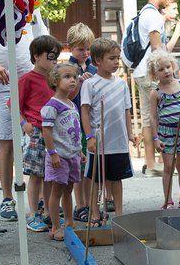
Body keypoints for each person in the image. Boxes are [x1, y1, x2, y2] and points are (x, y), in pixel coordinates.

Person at [0, 9, 49, 222]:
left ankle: (41, 198)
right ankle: (7, 198)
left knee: (40, 140)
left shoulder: (30, 6)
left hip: (32, 81)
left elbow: (42, 38)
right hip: (2, 85)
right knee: (7, 141)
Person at [81, 38, 136, 226]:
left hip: (118, 140)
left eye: (117, 58)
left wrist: (130, 134)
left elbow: (126, 110)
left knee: (117, 178)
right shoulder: (90, 84)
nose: (116, 62)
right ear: (97, 60)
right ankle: (95, 213)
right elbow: (85, 111)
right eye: (111, 58)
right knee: (97, 180)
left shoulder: (121, 84)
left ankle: (119, 214)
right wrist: (89, 136)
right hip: (99, 141)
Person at [18, 35, 63, 232]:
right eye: (50, 55)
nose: (54, 60)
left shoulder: (54, 80)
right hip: (37, 131)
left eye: (56, 56)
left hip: (53, 132)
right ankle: (33, 214)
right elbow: (13, 104)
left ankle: (46, 211)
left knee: (49, 175)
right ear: (36, 56)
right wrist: (24, 123)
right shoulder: (27, 79)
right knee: (36, 175)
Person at [148, 51, 180, 209]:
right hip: (166, 133)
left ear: (173, 66)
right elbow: (153, 118)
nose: (166, 71)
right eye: (161, 69)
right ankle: (168, 200)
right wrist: (156, 138)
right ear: (154, 73)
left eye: (168, 66)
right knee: (168, 167)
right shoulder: (155, 93)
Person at [41, 63, 86, 241]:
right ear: (55, 81)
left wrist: (79, 151)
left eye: (74, 77)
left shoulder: (71, 104)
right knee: (57, 191)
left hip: (72, 154)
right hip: (59, 156)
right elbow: (47, 130)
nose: (72, 80)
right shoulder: (53, 105)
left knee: (68, 190)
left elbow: (74, 131)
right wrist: (52, 153)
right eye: (67, 77)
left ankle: (69, 222)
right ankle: (55, 226)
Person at [133, 0, 173, 177]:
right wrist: (167, 70)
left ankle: (151, 164)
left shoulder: (143, 13)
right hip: (151, 74)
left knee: (148, 118)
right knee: (157, 118)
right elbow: (157, 48)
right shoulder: (154, 16)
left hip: (141, 72)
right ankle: (153, 165)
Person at [65, 23, 97, 222]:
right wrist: (79, 81)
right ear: (70, 48)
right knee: (78, 164)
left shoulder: (94, 66)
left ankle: (91, 203)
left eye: (88, 48)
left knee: (89, 166)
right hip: (74, 121)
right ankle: (81, 205)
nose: (85, 52)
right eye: (80, 49)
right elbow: (66, 95)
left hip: (91, 121)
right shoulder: (68, 69)